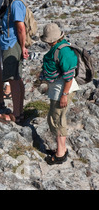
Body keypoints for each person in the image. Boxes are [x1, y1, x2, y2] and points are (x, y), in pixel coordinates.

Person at [39, 23, 79, 165]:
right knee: (55, 118)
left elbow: (69, 76)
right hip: (57, 90)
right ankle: (60, 148)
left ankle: (61, 153)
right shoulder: (59, 48)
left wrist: (64, 95)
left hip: (62, 91)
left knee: (57, 120)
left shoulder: (63, 51)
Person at [0, 0, 29, 124]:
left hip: (11, 45)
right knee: (17, 78)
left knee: (14, 80)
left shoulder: (15, 4)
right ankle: (19, 112)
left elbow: (20, 27)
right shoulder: (16, 1)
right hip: (13, 44)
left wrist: (23, 47)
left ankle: (15, 114)